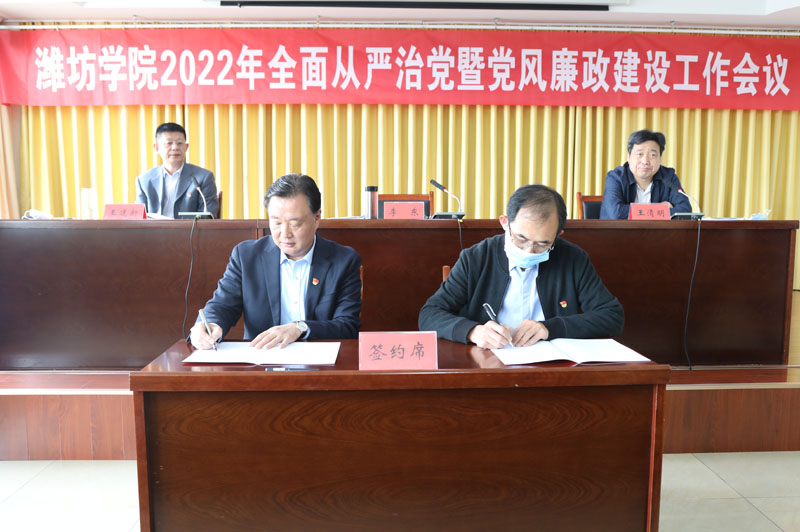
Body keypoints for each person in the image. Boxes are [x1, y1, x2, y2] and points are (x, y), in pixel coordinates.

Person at [419, 184, 623, 349]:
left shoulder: (573, 259)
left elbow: (612, 316)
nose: (529, 250)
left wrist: (550, 328)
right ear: (505, 222)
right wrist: (472, 331)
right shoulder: (476, 258)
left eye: (542, 244)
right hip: (489, 362)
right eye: (520, 239)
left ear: (557, 235)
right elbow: (429, 314)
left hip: (553, 366)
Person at [190, 173, 362, 350]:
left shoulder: (343, 261)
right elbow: (222, 305)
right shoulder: (247, 256)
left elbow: (347, 326)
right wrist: (210, 325)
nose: (285, 234)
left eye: (295, 223)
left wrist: (300, 328)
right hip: (263, 359)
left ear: (317, 217)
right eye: (277, 222)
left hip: (321, 360)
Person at [599, 129, 691, 219]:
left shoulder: (668, 177)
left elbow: (685, 211)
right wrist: (660, 208)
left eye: (652, 155)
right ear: (629, 157)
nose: (645, 161)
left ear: (660, 158)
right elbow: (616, 213)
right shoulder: (616, 177)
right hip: (619, 230)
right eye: (639, 154)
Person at [135, 122, 219, 218]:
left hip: (189, 228)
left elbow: (208, 216)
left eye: (179, 143)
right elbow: (139, 218)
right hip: (154, 228)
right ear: (157, 148)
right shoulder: (144, 180)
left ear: (186, 147)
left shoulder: (203, 178)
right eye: (169, 143)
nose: (175, 148)